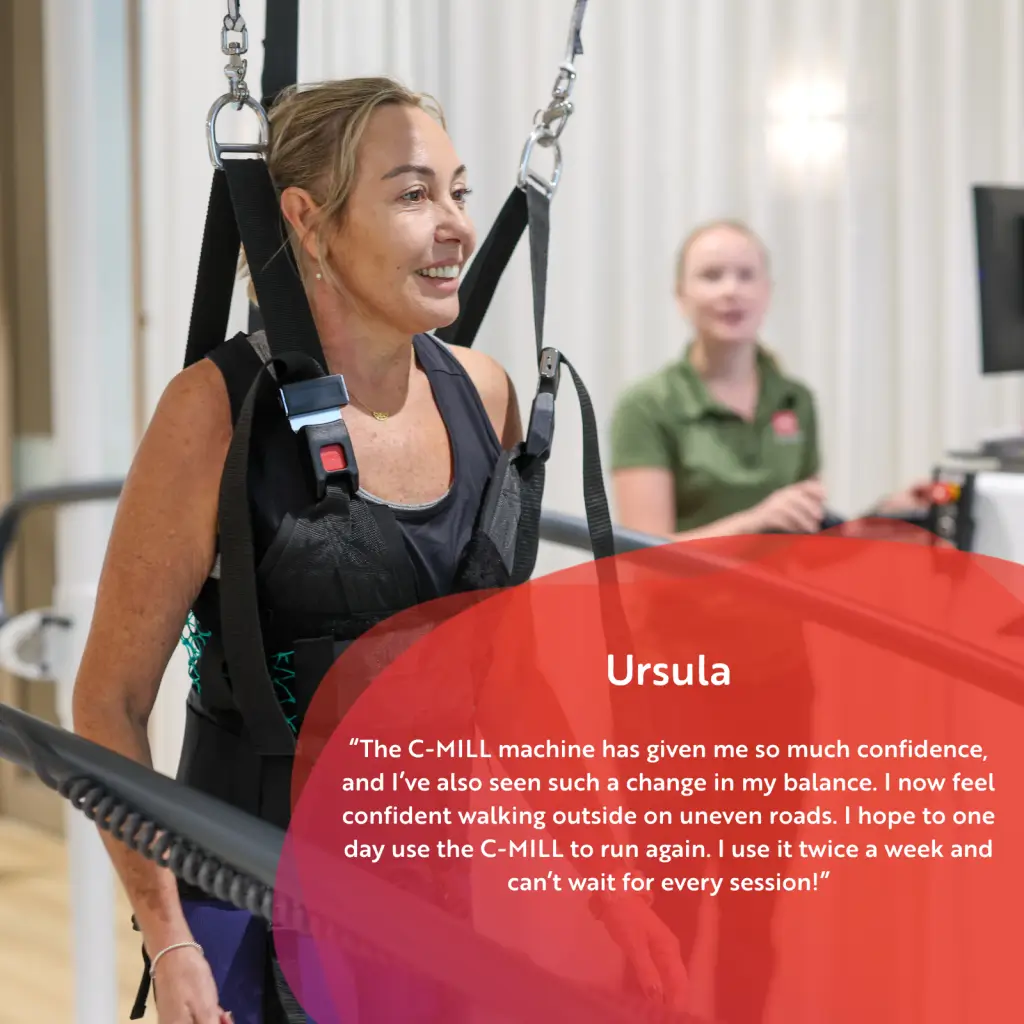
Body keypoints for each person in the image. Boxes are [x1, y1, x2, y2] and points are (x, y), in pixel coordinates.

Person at [70, 78, 687, 1024]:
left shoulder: (484, 395)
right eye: (411, 195)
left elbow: (513, 690)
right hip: (245, 901)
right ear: (308, 222)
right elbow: (107, 702)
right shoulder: (214, 414)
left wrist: (620, 900)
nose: (455, 227)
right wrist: (170, 935)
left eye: (459, 191)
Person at [609, 218, 930, 541]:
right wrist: (753, 523)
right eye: (711, 276)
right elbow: (640, 559)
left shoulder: (795, 399)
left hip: (784, 591)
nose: (731, 290)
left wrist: (885, 518)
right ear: (681, 296)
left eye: (746, 275)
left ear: (767, 292)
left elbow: (808, 537)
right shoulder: (645, 407)